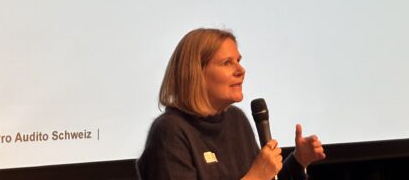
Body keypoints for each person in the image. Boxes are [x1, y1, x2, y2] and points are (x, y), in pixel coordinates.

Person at [137, 28, 326, 180]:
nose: (241, 70)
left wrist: (298, 161)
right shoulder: (170, 131)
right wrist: (255, 177)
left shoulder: (236, 120)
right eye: (227, 63)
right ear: (196, 73)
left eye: (238, 61)